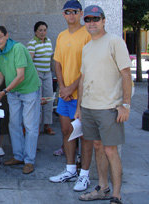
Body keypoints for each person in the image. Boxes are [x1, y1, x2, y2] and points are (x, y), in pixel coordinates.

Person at [76, 5, 132, 204]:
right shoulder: (87, 47)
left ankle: (116, 195)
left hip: (109, 108)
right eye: (88, 19)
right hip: (89, 107)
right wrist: (79, 108)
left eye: (95, 19)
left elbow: (126, 74)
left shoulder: (115, 42)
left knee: (110, 150)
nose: (91, 23)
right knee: (98, 147)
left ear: (104, 20)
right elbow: (83, 79)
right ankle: (102, 188)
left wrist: (125, 104)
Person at [0, 26, 41, 174]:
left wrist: (4, 92)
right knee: (14, 124)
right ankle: (18, 156)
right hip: (13, 92)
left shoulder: (18, 48)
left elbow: (20, 76)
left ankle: (29, 161)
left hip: (29, 90)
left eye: (0, 37)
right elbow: (1, 77)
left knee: (30, 126)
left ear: (7, 36)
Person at [48, 0, 93, 192]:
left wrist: (71, 88)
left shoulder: (88, 35)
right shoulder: (61, 36)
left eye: (74, 11)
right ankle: (70, 170)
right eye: (67, 12)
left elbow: (88, 68)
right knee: (67, 132)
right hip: (65, 95)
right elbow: (57, 63)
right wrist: (63, 87)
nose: (71, 15)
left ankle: (84, 175)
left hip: (83, 95)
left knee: (85, 136)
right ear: (63, 15)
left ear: (81, 13)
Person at [27, 21, 55, 135]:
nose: (43, 32)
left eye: (44, 30)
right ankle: (36, 126)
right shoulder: (32, 43)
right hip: (37, 73)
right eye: (40, 30)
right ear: (35, 31)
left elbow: (51, 57)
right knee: (38, 100)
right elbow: (30, 60)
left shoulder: (48, 41)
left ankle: (47, 125)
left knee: (48, 99)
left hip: (47, 73)